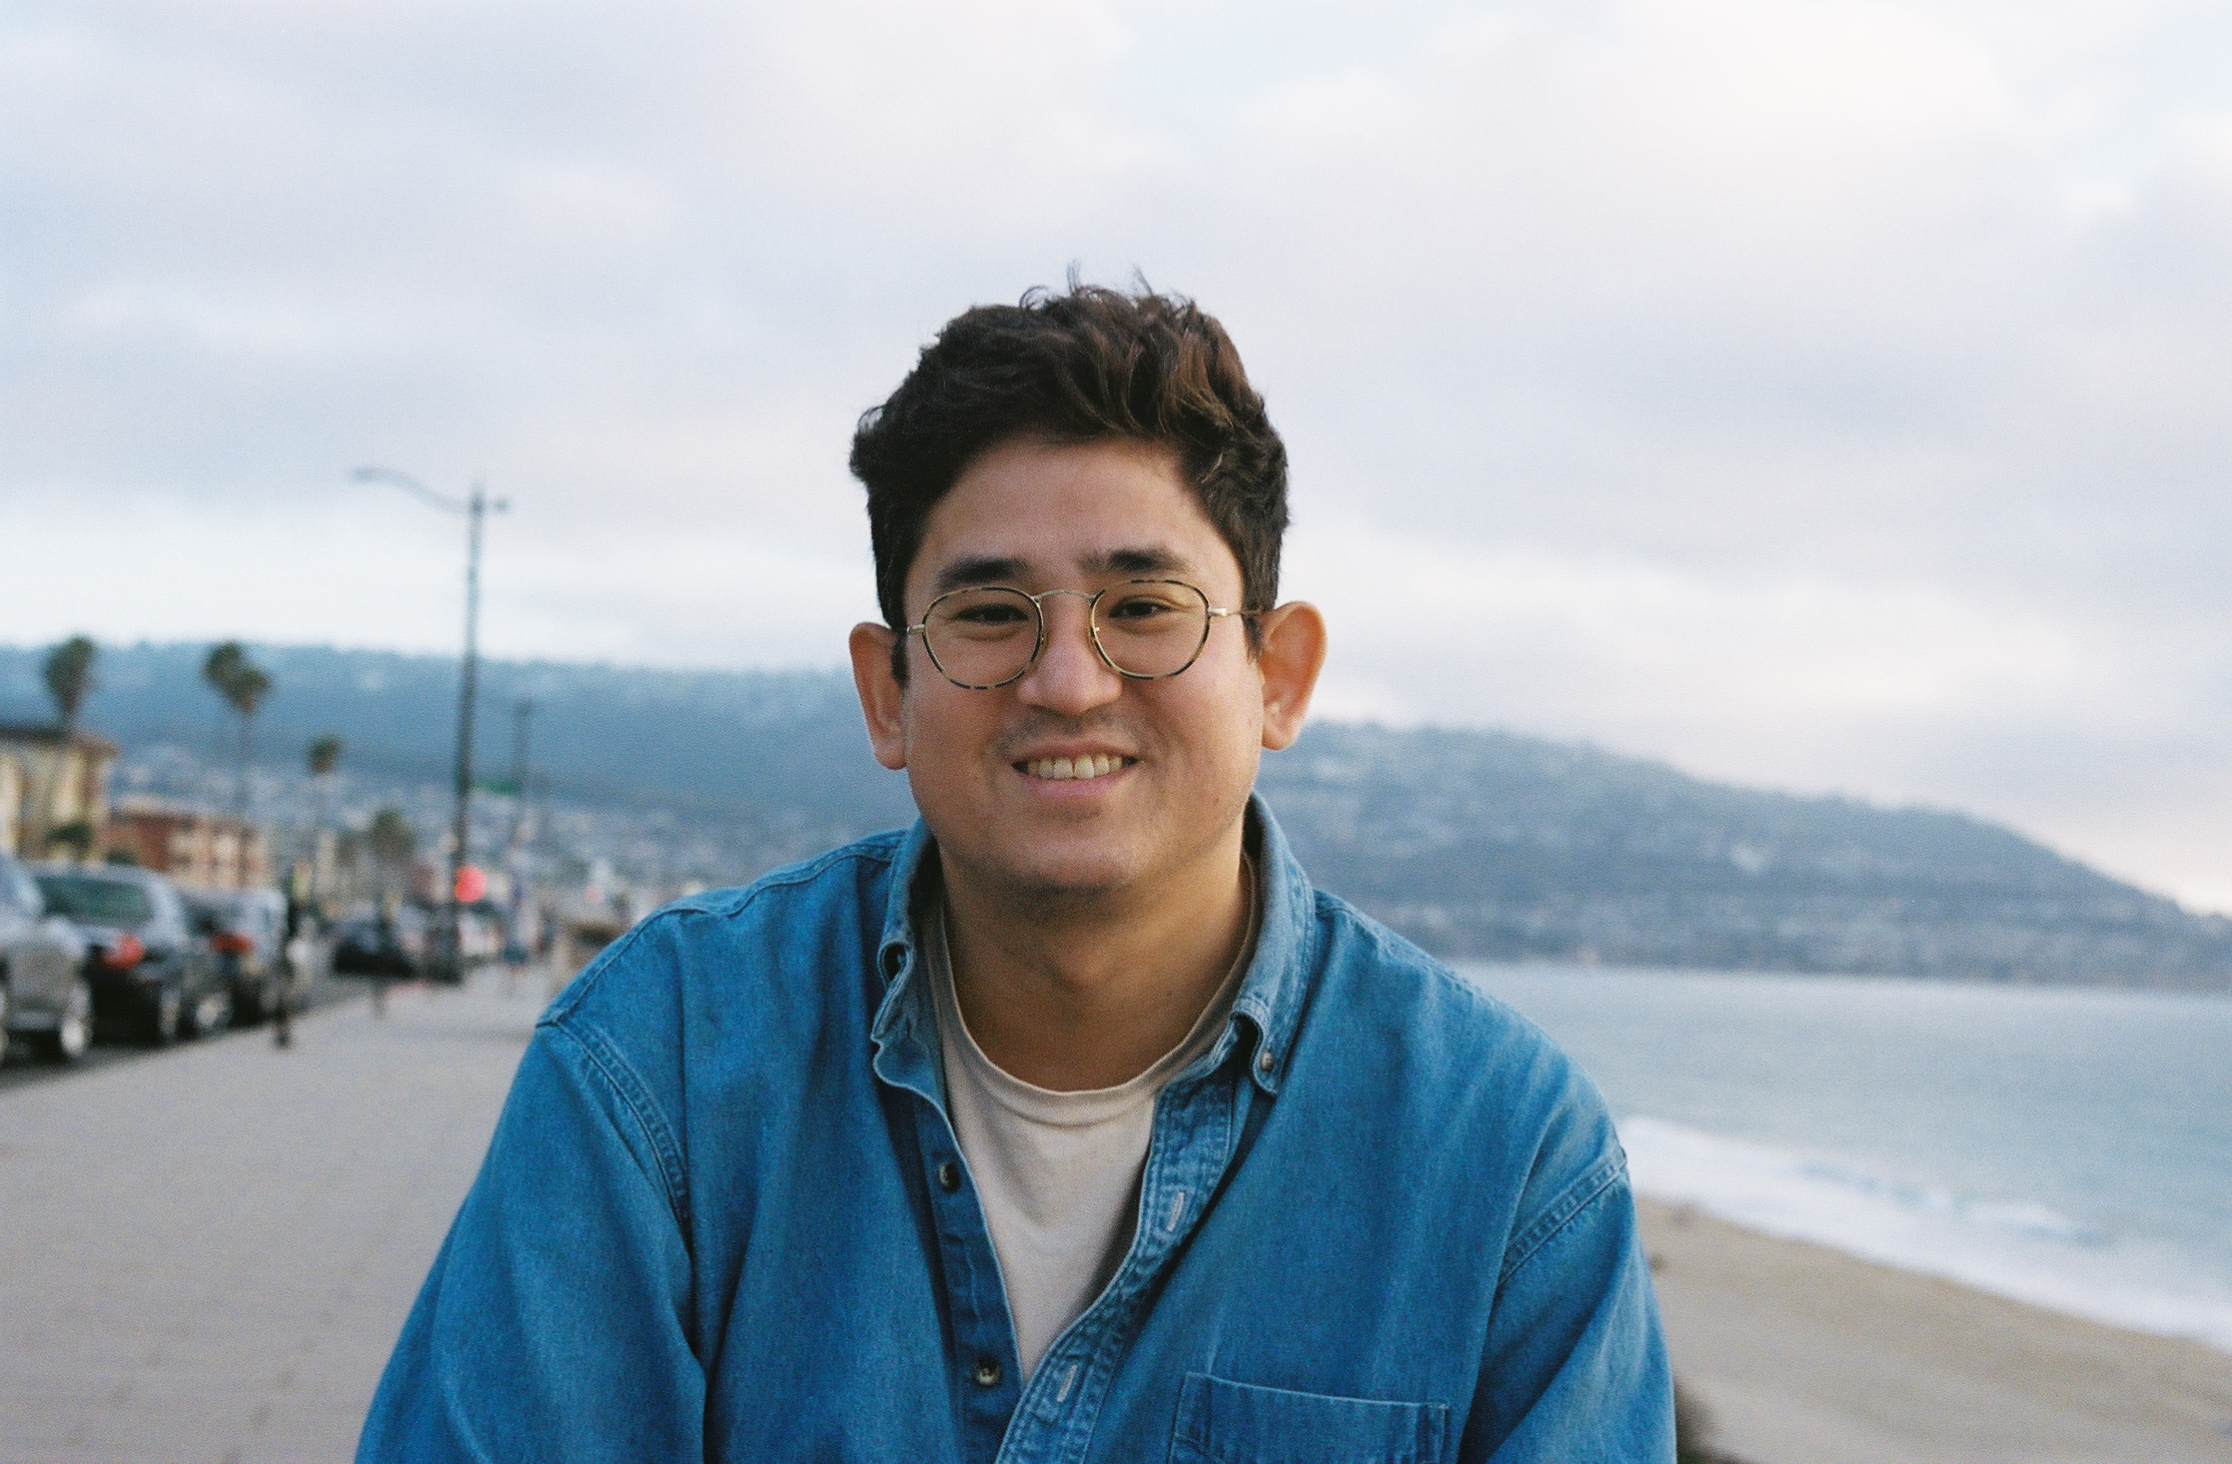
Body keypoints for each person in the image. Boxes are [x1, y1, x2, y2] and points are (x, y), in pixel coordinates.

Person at [357, 284, 1673, 1462]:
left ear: (1277, 676)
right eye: (991, 613)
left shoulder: (1504, 1162)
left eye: (1145, 609)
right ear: (889, 694)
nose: (1068, 682)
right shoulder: (665, 1068)